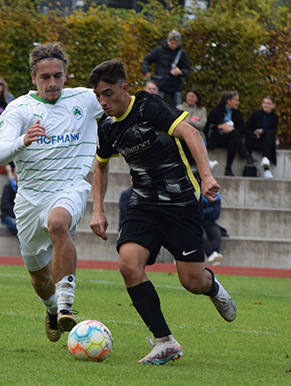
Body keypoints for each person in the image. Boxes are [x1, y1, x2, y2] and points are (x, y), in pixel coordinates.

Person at [89, 59, 236, 365]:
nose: (103, 101)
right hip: (143, 203)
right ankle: (165, 342)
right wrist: (98, 210)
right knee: (128, 265)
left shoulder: (148, 106)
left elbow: (192, 134)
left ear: (125, 89)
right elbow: (100, 166)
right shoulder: (106, 126)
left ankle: (212, 285)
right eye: (98, 95)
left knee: (192, 282)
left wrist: (206, 176)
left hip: (181, 203)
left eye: (108, 93)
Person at [0, 42, 103, 343]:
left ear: (66, 75)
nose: (52, 82)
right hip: (29, 198)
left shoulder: (86, 99)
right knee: (39, 278)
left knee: (58, 224)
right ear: (33, 79)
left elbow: (120, 101)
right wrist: (23, 141)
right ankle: (52, 308)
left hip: (70, 188)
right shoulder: (19, 109)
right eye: (45, 77)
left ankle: (66, 305)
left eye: (58, 75)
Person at [205, 91, 253, 176]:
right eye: (236, 100)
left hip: (230, 138)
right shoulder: (217, 111)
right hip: (217, 137)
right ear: (228, 101)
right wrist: (222, 126)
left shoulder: (237, 113)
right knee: (234, 133)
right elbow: (209, 126)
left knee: (233, 141)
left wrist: (231, 129)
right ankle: (245, 153)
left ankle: (228, 168)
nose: (238, 103)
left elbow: (241, 128)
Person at [141, 29, 190, 106]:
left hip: (175, 85)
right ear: (168, 41)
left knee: (178, 108)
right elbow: (146, 59)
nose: (173, 45)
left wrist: (180, 72)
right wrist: (146, 70)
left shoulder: (182, 53)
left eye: (176, 43)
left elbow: (187, 69)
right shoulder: (159, 50)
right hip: (160, 84)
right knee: (158, 106)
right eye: (172, 43)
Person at [245, 96, 279, 179]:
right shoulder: (255, 114)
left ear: (273, 105)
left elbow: (274, 131)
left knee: (269, 136)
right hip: (254, 140)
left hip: (266, 141)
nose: (266, 105)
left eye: (268, 103)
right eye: (264, 103)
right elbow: (246, 129)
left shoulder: (275, 117)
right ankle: (265, 164)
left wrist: (263, 132)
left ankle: (266, 160)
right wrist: (254, 134)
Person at [202, 193, 223, 265]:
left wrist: (205, 211)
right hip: (199, 222)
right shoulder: (199, 196)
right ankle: (210, 255)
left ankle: (215, 253)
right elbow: (199, 213)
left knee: (217, 234)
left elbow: (216, 214)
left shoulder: (217, 197)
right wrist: (210, 210)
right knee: (202, 235)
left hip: (210, 222)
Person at [0, 163, 18, 236]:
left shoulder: (24, 189)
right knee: (19, 228)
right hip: (8, 216)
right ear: (14, 173)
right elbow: (5, 206)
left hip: (20, 217)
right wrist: (16, 216)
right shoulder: (8, 187)